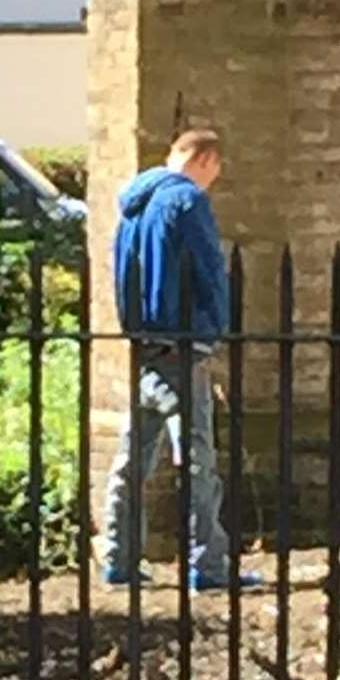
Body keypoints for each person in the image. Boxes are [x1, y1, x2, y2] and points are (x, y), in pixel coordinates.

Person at [102, 128, 261, 591]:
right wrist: (213, 333)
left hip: (145, 345)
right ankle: (208, 566)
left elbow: (123, 274)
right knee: (196, 461)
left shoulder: (132, 206)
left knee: (133, 459)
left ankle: (119, 559)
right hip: (183, 345)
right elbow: (210, 271)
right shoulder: (188, 202)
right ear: (207, 160)